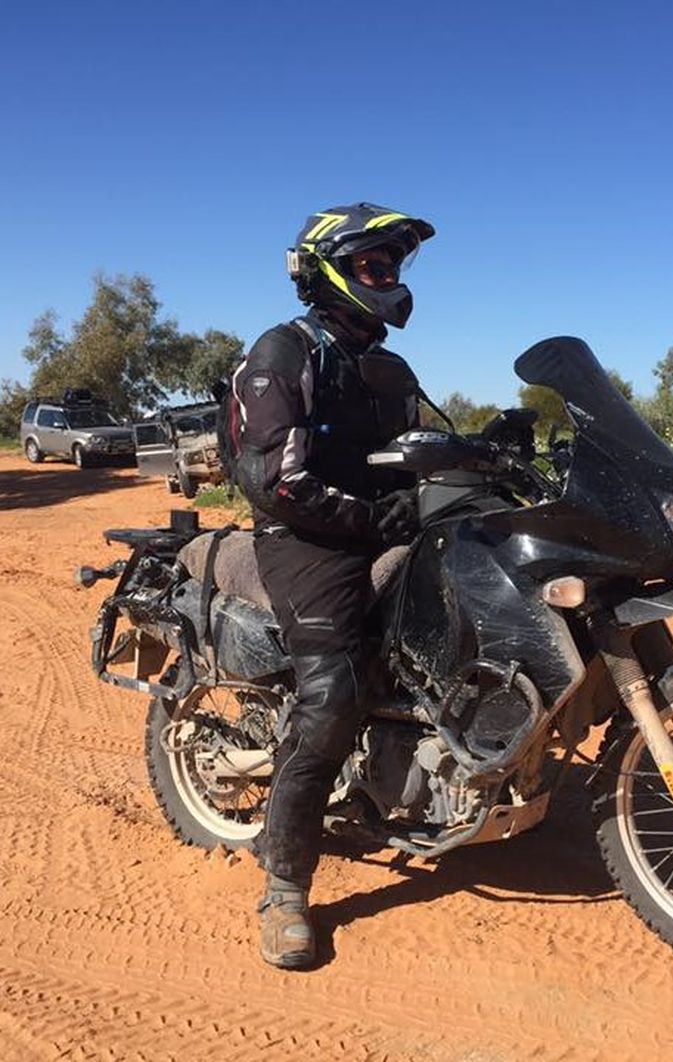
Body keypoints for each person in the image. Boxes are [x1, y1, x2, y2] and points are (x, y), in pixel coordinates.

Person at [229, 202, 435, 969]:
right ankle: (285, 887)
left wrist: (490, 452)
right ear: (329, 274)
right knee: (334, 691)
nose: (388, 281)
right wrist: (375, 519)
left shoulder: (388, 364)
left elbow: (414, 451)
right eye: (374, 267)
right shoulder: (282, 354)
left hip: (376, 524)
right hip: (306, 538)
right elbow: (274, 482)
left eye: (393, 268)